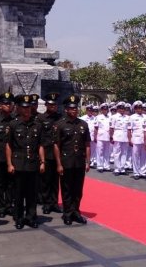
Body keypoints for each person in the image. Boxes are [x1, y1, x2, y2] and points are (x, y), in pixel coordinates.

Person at [6, 94, 45, 229]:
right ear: (19, 109)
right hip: (18, 164)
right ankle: (19, 217)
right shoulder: (13, 124)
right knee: (18, 193)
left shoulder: (37, 125)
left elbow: (40, 145)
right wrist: (10, 164)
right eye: (24, 107)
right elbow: (9, 145)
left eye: (29, 107)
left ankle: (31, 216)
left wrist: (42, 162)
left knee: (32, 193)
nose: (27, 110)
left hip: (33, 163)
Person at [54, 94, 91, 226]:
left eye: (75, 108)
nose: (74, 110)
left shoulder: (83, 124)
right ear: (66, 109)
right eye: (71, 108)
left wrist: (88, 161)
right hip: (66, 161)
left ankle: (76, 211)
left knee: (78, 189)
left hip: (79, 161)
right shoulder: (60, 125)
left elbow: (87, 144)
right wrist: (58, 164)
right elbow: (56, 146)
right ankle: (67, 213)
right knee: (67, 188)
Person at [0, 92, 16, 218]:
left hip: (13, 158)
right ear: (0, 106)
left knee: (11, 183)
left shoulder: (16, 120)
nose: (8, 106)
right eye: (5, 103)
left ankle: (9, 205)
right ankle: (1, 207)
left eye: (10, 103)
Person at [38, 93, 62, 214]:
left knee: (55, 180)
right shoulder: (41, 118)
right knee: (45, 180)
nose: (53, 107)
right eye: (51, 105)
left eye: (55, 105)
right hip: (46, 152)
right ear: (47, 105)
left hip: (57, 154)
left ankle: (54, 203)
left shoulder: (60, 118)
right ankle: (46, 203)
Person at [93, 103, 112, 172]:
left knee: (107, 152)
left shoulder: (110, 117)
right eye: (104, 109)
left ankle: (106, 165)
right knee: (100, 152)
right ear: (101, 110)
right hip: (100, 136)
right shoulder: (98, 117)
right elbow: (96, 128)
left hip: (108, 137)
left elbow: (111, 128)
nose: (105, 110)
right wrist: (95, 136)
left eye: (106, 109)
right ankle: (100, 166)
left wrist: (111, 136)